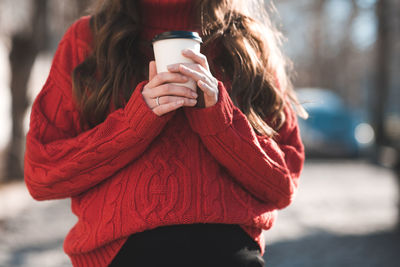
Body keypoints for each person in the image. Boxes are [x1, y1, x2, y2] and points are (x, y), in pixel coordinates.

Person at [24, 0, 307, 266]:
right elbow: (41, 173)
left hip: (231, 253)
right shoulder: (87, 39)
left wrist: (220, 119)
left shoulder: (248, 43)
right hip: (119, 256)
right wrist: (135, 122)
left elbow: (284, 184)